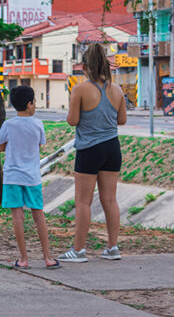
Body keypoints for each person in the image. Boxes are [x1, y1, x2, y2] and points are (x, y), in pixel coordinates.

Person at [58, 43, 127, 263]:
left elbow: (73, 120)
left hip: (89, 149)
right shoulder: (116, 90)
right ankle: (112, 247)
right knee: (110, 200)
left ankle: (78, 250)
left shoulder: (80, 89)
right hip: (112, 148)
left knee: (83, 202)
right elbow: (122, 120)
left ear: (86, 67)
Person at [0, 86, 60, 270]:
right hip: (32, 177)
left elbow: (0, 147)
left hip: (12, 176)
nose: (35, 106)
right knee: (38, 214)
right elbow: (39, 146)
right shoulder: (38, 124)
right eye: (34, 103)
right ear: (29, 104)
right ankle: (48, 257)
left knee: (17, 216)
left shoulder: (8, 125)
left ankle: (23, 259)